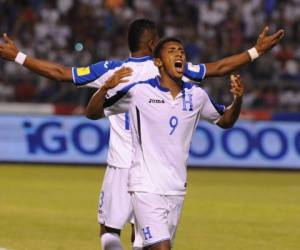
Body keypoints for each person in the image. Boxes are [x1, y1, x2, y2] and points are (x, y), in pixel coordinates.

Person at [0, 18, 284, 250]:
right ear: (153, 45)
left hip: (122, 163)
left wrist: (18, 56)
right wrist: (256, 51)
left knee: (110, 232)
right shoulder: (176, 72)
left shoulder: (112, 70)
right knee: (145, 239)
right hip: (155, 170)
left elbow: (61, 73)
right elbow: (220, 68)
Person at [85, 37, 244, 250]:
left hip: (176, 188)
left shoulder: (197, 96)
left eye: (181, 51)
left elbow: (225, 121)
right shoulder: (138, 91)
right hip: (145, 186)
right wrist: (105, 88)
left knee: (143, 247)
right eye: (172, 51)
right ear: (158, 62)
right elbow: (93, 113)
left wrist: (238, 101)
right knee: (162, 247)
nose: (179, 54)